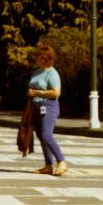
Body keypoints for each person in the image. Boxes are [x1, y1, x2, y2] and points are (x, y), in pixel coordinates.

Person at [28, 44, 66, 175]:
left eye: (39, 56)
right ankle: (49, 165)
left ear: (45, 58)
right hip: (36, 106)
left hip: (49, 106)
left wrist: (37, 93)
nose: (36, 58)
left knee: (46, 135)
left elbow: (56, 93)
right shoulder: (37, 71)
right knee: (41, 136)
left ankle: (61, 161)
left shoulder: (52, 73)